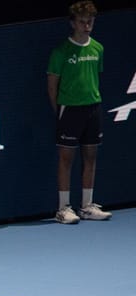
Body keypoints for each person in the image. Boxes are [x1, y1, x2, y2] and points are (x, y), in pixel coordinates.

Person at [47, 1, 111, 224]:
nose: (87, 26)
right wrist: (60, 110)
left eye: (90, 22)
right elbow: (52, 87)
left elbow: (95, 77)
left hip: (93, 108)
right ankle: (63, 208)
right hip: (69, 110)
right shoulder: (61, 52)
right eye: (82, 22)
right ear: (72, 23)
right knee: (66, 159)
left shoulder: (98, 48)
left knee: (90, 157)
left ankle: (86, 206)